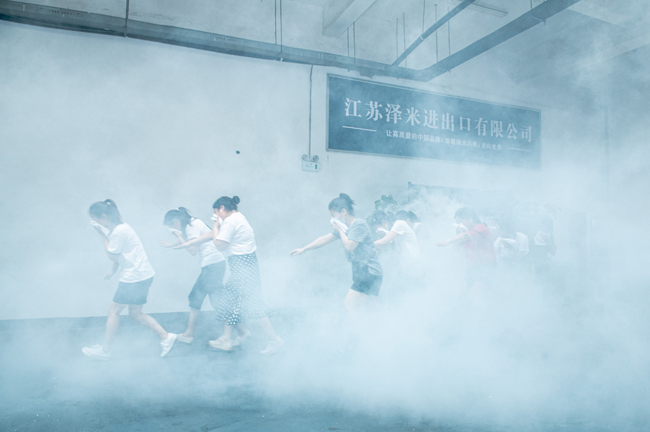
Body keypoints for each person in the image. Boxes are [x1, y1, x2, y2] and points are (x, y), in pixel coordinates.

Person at [83, 199, 177, 360]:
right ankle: (166, 337)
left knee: (113, 311)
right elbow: (121, 254)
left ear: (103, 216)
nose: (96, 223)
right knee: (136, 314)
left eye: (95, 219)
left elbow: (112, 255)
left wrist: (102, 234)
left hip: (133, 278)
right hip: (143, 275)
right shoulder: (123, 227)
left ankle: (105, 351)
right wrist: (113, 271)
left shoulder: (118, 232)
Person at [188, 196, 282, 355]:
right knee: (228, 300)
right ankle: (228, 338)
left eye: (216, 213)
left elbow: (219, 245)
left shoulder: (231, 222)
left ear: (222, 208)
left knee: (253, 305)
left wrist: (215, 227)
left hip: (243, 267)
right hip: (243, 267)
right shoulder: (238, 218)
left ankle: (274, 339)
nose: (217, 217)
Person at [291, 193, 383, 319]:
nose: (333, 219)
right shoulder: (346, 229)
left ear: (343, 212)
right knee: (372, 308)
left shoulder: (358, 225)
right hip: (367, 271)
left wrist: (339, 230)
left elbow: (350, 246)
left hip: (367, 271)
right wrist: (304, 249)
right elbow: (324, 239)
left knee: (350, 306)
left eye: (333, 215)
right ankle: (379, 330)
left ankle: (355, 331)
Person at [161, 207, 226, 343]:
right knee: (217, 300)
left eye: (172, 227)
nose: (173, 230)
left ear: (176, 221)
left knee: (195, 297)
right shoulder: (191, 223)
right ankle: (242, 331)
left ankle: (189, 334)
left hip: (212, 265)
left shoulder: (191, 226)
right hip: (215, 264)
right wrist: (171, 244)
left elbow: (192, 250)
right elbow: (192, 240)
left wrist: (177, 235)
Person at [437, 207, 496, 290]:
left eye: (460, 222)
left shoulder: (481, 228)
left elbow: (466, 236)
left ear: (470, 219)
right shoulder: (464, 232)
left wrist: (449, 240)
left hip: (486, 267)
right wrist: (458, 234)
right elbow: (456, 249)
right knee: (468, 292)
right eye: (457, 224)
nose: (459, 226)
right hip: (472, 268)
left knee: (478, 290)